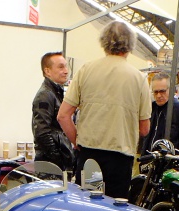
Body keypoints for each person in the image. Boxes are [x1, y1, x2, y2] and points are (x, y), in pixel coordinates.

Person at [57, 21, 152, 199]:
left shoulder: (86, 70)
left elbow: (63, 116)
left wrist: (77, 141)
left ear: (104, 42)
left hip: (89, 156)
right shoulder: (139, 78)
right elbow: (144, 128)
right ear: (131, 44)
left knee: (87, 206)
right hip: (120, 159)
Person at [31, 52, 76, 172]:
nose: (66, 71)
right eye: (61, 67)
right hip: (50, 167)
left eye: (66, 66)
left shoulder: (56, 93)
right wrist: (57, 159)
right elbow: (41, 133)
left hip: (57, 164)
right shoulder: (45, 95)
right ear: (47, 71)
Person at [140, 72, 179, 155]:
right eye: (155, 92)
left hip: (169, 161)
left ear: (171, 90)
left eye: (162, 91)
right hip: (150, 160)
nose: (158, 95)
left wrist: (176, 160)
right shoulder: (152, 108)